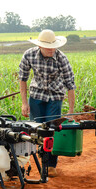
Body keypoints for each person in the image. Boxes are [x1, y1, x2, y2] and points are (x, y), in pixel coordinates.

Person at [18, 29, 76, 177]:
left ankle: (50, 165)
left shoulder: (62, 59)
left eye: (54, 46)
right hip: (36, 95)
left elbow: (70, 85)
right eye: (48, 47)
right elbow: (22, 79)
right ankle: (39, 159)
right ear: (40, 46)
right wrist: (24, 103)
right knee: (35, 130)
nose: (52, 50)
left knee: (51, 130)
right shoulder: (29, 55)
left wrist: (70, 111)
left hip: (55, 97)